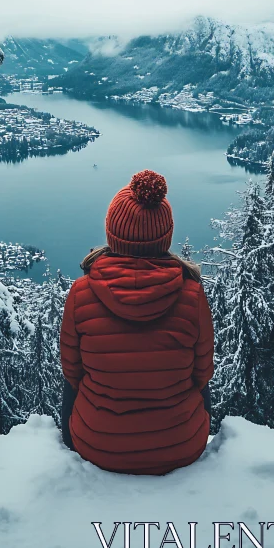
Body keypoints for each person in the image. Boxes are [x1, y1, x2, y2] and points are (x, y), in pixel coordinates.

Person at [60, 169, 214, 475]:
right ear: (165, 235)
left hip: (98, 444)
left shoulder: (80, 294)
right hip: (181, 446)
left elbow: (73, 375)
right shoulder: (192, 295)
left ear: (112, 232)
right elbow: (202, 374)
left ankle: (73, 440)